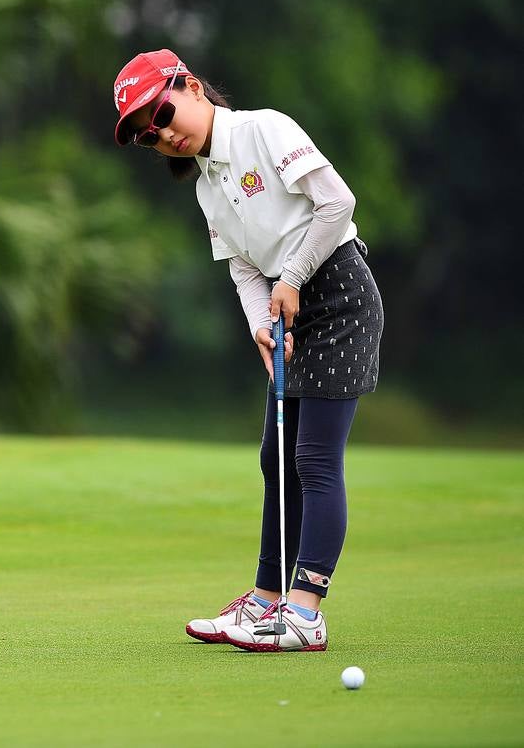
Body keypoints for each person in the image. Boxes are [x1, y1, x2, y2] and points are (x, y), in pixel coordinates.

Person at [111, 49, 384, 651]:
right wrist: (261, 320)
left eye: (161, 112)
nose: (161, 134)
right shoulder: (207, 185)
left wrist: (290, 278)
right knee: (275, 459)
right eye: (145, 134)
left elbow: (339, 204)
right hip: (290, 313)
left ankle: (307, 613)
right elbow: (240, 267)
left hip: (339, 297)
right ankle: (265, 602)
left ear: (190, 85)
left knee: (313, 460)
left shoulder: (265, 129)